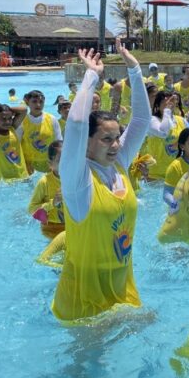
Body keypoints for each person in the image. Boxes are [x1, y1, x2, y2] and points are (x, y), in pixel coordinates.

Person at [51, 39, 150, 323]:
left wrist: (134, 69)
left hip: (121, 291)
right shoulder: (77, 179)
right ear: (87, 144)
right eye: (107, 139)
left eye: (117, 137)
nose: (116, 144)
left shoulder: (119, 166)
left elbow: (142, 119)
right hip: (83, 303)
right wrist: (91, 76)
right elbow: (78, 125)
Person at [147, 91, 187, 181]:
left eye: (171, 101)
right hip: (156, 175)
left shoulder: (181, 121)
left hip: (177, 172)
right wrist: (167, 110)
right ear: (157, 105)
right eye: (164, 102)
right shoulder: (152, 120)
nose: (168, 103)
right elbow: (163, 132)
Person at [19, 90, 62, 174]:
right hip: (29, 165)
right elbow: (17, 144)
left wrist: (56, 164)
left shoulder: (52, 119)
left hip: (49, 164)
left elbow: (59, 143)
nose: (38, 105)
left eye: (41, 102)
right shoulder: (22, 121)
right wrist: (24, 164)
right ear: (27, 102)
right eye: (34, 101)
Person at [28, 140, 64, 238]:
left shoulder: (77, 180)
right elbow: (31, 209)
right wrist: (53, 203)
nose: (65, 163)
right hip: (51, 229)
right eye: (60, 160)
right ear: (50, 164)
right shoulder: (45, 182)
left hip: (72, 227)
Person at [163, 128, 189, 208]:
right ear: (182, 146)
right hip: (180, 212)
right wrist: (178, 206)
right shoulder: (175, 167)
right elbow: (166, 194)